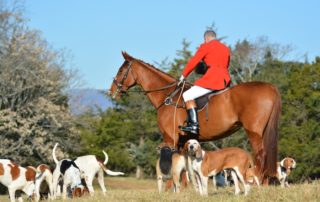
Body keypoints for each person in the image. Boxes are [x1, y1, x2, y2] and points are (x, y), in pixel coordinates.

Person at [178, 30, 231, 135]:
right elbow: (227, 64)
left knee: (187, 94)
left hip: (213, 79)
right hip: (225, 79)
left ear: (206, 39)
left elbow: (194, 61)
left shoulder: (205, 46)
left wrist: (183, 76)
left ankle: (193, 125)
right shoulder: (225, 48)